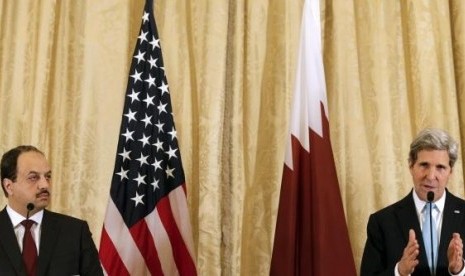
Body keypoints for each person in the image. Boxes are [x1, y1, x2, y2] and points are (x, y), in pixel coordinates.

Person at [361, 128, 465, 276]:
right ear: (411, 165)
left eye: (440, 167)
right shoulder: (382, 222)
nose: (431, 176)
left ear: (451, 171)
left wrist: (459, 270)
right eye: (424, 165)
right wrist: (399, 271)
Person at [0, 145, 103, 275]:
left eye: (47, 176)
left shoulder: (75, 232)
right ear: (9, 186)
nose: (45, 185)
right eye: (33, 177)